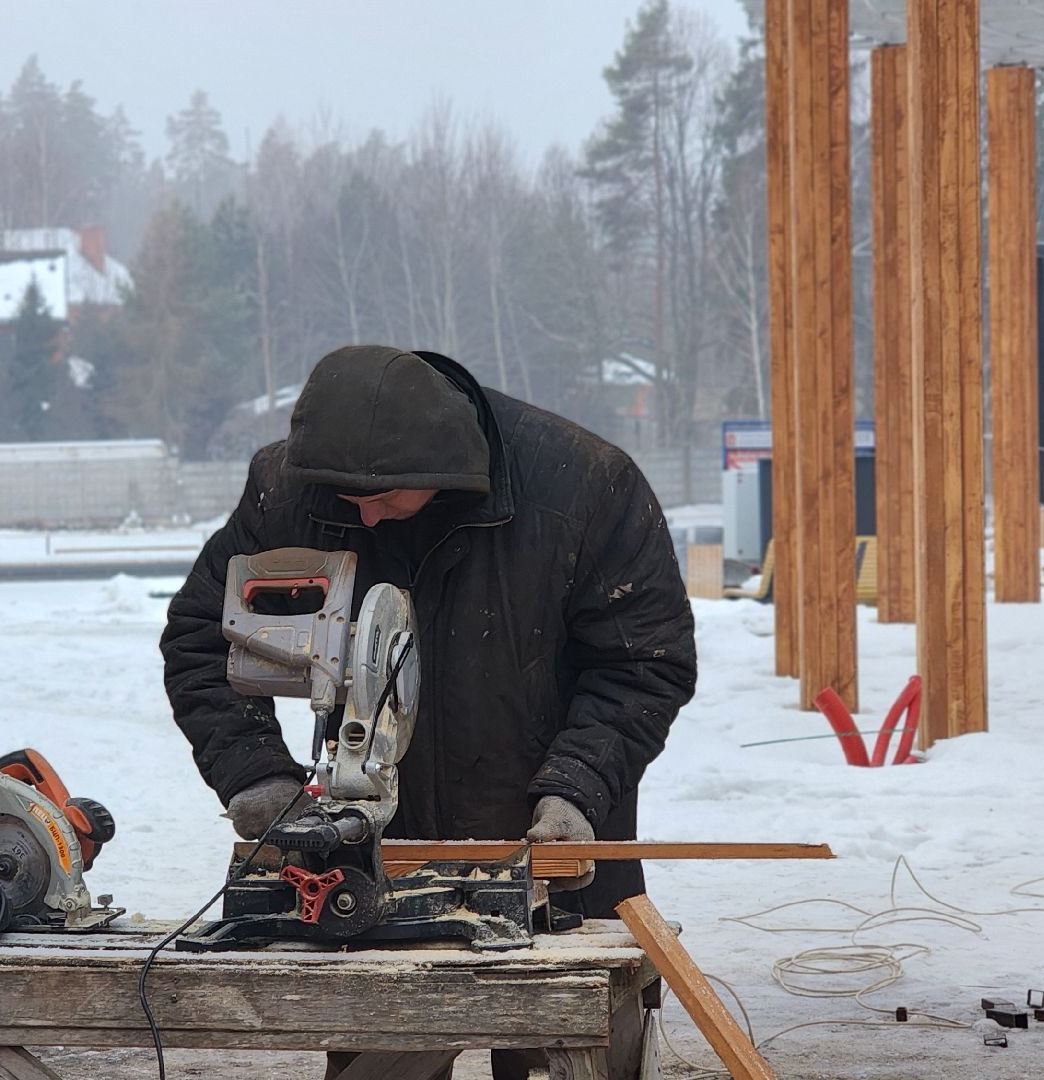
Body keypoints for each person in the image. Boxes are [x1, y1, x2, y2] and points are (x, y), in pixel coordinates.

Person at [159, 345, 697, 1075]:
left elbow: (644, 662)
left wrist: (577, 786)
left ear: (449, 473)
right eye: (348, 502)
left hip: (555, 849)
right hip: (371, 856)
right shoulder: (297, 491)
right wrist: (254, 773)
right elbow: (203, 636)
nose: (366, 518)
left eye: (383, 497)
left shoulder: (584, 487)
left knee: (568, 1044)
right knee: (381, 1056)